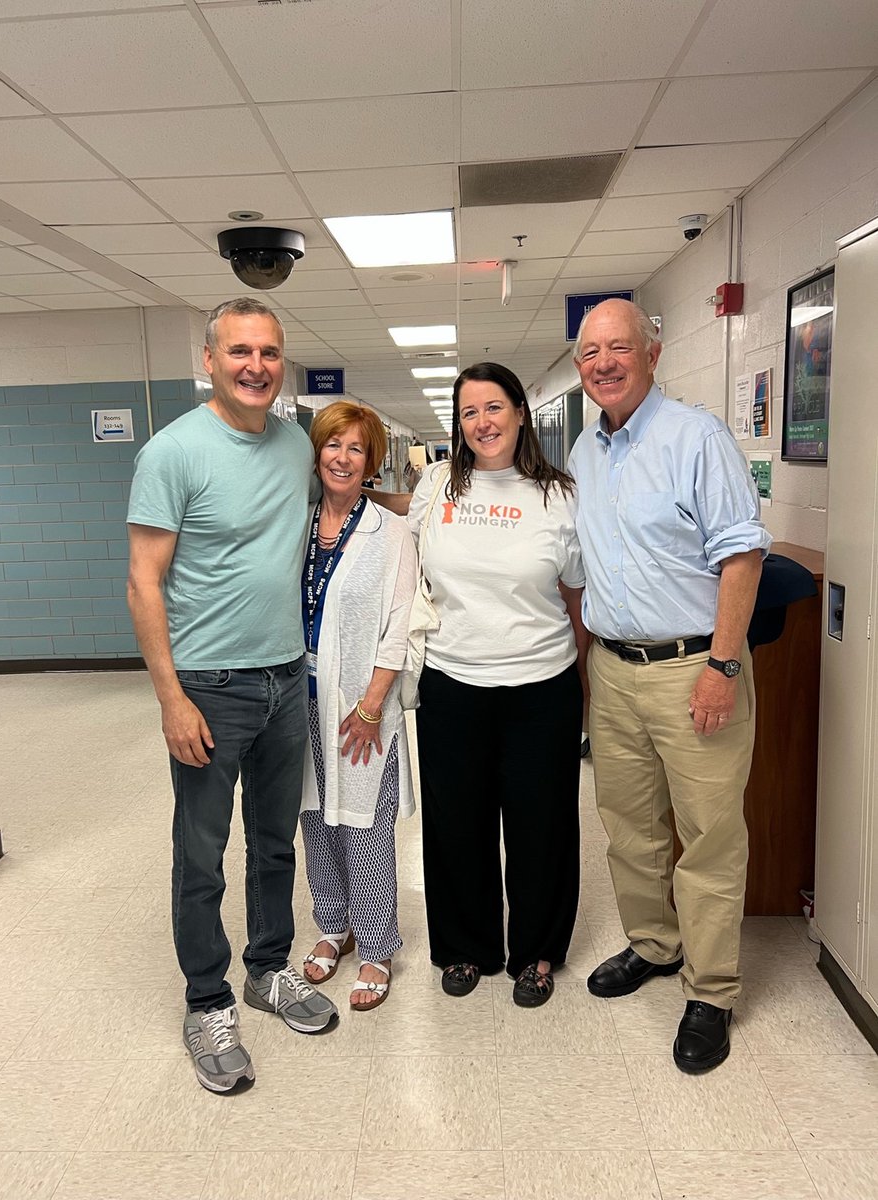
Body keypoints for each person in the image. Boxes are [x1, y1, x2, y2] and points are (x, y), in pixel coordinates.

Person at [126, 297, 338, 1095]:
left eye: (271, 352)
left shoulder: (293, 445)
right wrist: (170, 699)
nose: (257, 366)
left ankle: (268, 970)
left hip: (288, 677)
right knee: (202, 856)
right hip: (209, 688)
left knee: (276, 843)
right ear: (210, 361)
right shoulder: (172, 452)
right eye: (241, 351)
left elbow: (341, 506)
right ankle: (207, 1000)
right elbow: (143, 583)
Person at [567, 298, 771, 1072]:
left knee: (710, 835)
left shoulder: (697, 436)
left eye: (619, 347)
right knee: (629, 826)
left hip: (695, 665)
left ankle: (711, 990)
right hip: (614, 669)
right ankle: (653, 945)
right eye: (590, 353)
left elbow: (741, 557)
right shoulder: (587, 453)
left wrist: (722, 666)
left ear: (652, 354)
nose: (604, 363)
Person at [410, 362, 585, 1008]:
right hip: (453, 682)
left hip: (542, 684)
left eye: (493, 408)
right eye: (468, 413)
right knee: (458, 820)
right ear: (458, 426)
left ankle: (536, 951)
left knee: (542, 825)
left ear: (519, 412)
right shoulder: (436, 487)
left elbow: (575, 593)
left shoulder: (558, 494)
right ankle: (463, 946)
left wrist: (583, 681)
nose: (482, 423)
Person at [298, 402, 417, 1011]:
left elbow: (400, 625)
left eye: (357, 449)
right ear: (316, 453)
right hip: (299, 696)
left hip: (361, 700)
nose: (343, 458)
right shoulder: (296, 520)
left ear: (372, 461)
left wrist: (373, 704)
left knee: (365, 823)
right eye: (333, 445)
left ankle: (375, 945)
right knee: (315, 817)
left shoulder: (390, 532)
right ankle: (332, 925)